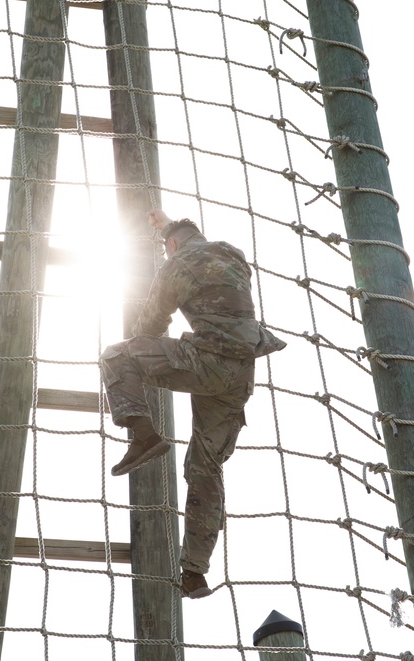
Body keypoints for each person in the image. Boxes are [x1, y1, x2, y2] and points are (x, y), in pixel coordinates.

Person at [99, 209, 286, 599]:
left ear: (170, 248)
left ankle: (144, 434)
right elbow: (189, 244)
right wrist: (167, 225)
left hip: (207, 362)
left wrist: (140, 347)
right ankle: (194, 572)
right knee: (205, 467)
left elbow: (151, 325)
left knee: (117, 356)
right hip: (241, 373)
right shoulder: (233, 256)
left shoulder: (176, 265)